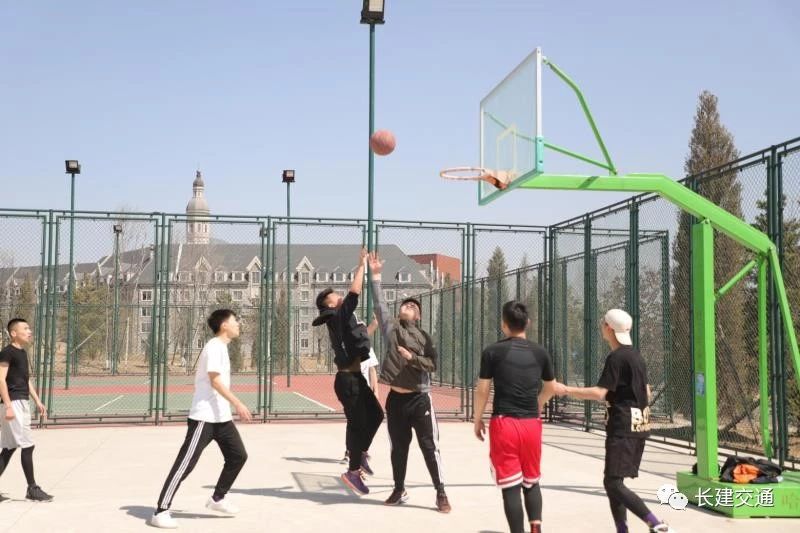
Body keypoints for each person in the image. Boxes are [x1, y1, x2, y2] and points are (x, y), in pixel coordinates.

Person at [555, 309, 674, 533]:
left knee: (612, 483)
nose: (602, 326)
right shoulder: (636, 356)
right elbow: (646, 391)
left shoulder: (616, 358)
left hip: (623, 428)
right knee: (614, 482)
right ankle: (622, 529)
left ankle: (655, 523)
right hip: (638, 426)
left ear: (609, 328)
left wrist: (565, 390)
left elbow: (599, 393)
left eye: (603, 323)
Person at [150, 309, 252, 529]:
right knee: (185, 465)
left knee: (238, 456)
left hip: (222, 418)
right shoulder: (214, 347)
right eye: (235, 321)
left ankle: (217, 498)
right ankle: (161, 511)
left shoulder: (222, 347)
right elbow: (215, 381)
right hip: (204, 418)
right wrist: (238, 403)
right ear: (224, 325)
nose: (238, 324)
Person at [368, 251, 450, 513]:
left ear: (418, 317)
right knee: (398, 448)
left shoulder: (425, 338)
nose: (408, 306)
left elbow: (433, 365)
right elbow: (380, 305)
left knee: (429, 447)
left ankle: (441, 492)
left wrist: (412, 358)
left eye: (414, 307)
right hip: (396, 400)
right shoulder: (392, 330)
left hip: (419, 399)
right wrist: (376, 276)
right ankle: (398, 488)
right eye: (406, 304)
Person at [473, 301, 556, 533]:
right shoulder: (541, 352)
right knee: (531, 481)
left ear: (503, 325)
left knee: (511, 486)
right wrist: (537, 404)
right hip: (532, 424)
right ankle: (536, 529)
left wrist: (477, 419)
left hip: (504, 423)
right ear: (527, 323)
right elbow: (551, 387)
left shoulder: (492, 352)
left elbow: (482, 390)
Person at [313, 248, 384, 495]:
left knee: (376, 414)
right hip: (347, 380)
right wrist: (362, 265)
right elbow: (355, 292)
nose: (340, 295)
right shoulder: (336, 316)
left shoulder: (342, 319)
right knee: (357, 424)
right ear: (330, 303)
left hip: (355, 377)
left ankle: (360, 454)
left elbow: (360, 336)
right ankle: (352, 472)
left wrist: (373, 324)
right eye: (335, 295)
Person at [0, 318, 52, 502]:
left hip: (21, 402)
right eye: (25, 328)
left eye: (29, 328)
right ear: (14, 333)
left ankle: (32, 489)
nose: (29, 331)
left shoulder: (22, 352)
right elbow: (1, 379)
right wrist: (8, 406)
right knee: (28, 445)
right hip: (13, 403)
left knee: (9, 448)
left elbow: (25, 379)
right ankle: (32, 489)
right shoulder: (7, 352)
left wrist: (37, 400)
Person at [340, 320, 379, 466]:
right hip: (352, 388)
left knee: (368, 421)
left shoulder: (368, 348)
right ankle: (349, 452)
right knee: (353, 422)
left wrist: (376, 391)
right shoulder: (347, 347)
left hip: (365, 390)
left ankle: (362, 450)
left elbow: (372, 370)